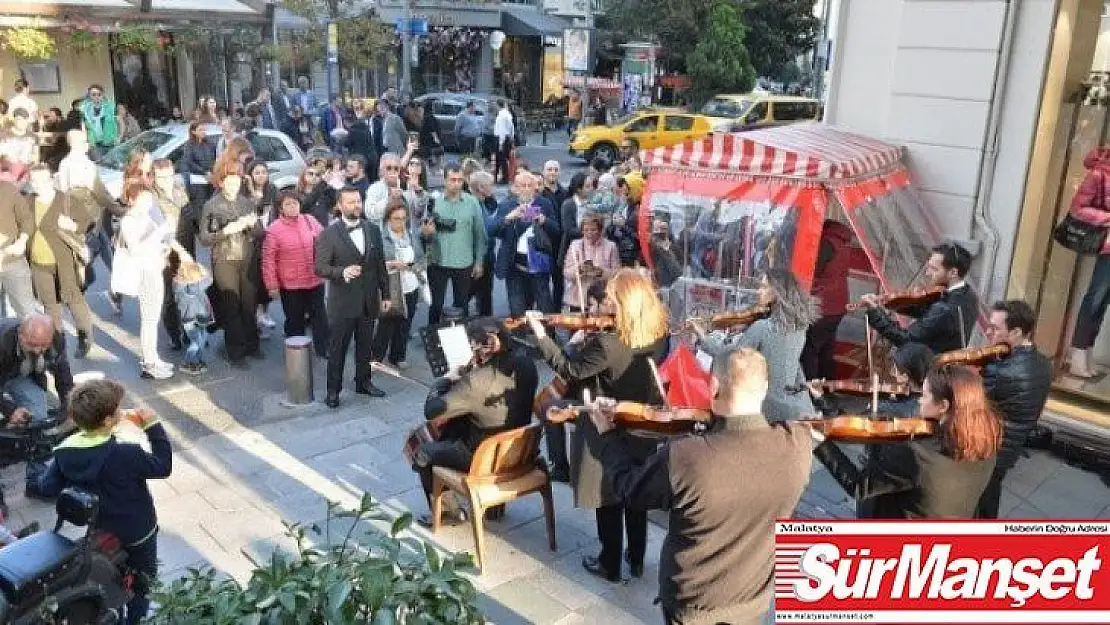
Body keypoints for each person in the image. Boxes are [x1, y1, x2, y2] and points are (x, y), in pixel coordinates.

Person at [581, 347, 811, 624]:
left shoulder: (686, 457)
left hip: (693, 606)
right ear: (764, 388)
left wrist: (607, 436)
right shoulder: (798, 446)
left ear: (713, 386)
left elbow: (629, 489)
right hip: (754, 602)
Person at [526, 268, 668, 582]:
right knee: (636, 495)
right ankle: (637, 559)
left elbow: (570, 369)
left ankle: (610, 563)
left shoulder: (608, 342)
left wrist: (541, 335)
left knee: (609, 497)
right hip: (642, 423)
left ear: (625, 303)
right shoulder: (657, 331)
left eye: (611, 300)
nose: (605, 305)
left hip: (610, 424)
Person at [38, 378, 172, 625]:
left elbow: (47, 487)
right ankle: (136, 619)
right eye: (118, 409)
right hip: (138, 532)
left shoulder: (65, 452)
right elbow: (163, 466)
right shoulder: (126, 454)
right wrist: (153, 425)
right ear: (108, 420)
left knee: (112, 574)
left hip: (101, 529)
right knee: (143, 581)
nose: (122, 411)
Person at [813, 364, 1002, 518]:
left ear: (944, 406)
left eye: (925, 395)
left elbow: (858, 485)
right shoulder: (987, 440)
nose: (919, 400)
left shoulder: (915, 455)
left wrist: (821, 443)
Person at [413, 317, 538, 526]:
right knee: (460, 425)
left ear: (484, 347)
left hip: (483, 459)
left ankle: (446, 512)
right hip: (518, 452)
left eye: (472, 345)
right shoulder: (526, 365)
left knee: (422, 449)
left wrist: (446, 379)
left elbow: (432, 411)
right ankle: (495, 508)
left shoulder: (475, 381)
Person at [807, 342, 934, 519]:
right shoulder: (929, 410)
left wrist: (822, 400)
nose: (892, 373)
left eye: (896, 369)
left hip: (880, 493)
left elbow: (850, 424)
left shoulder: (889, 411)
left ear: (905, 376)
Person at [695, 269, 818, 422]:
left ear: (776, 293)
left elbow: (732, 356)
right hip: (795, 401)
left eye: (764, 287)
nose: (759, 291)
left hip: (769, 404)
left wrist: (704, 337)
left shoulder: (763, 328)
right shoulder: (799, 326)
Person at [975, 300, 1052, 519]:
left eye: (996, 328)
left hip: (990, 448)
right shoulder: (1043, 364)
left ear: (1017, 332)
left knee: (979, 503)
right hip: (1011, 447)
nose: (989, 332)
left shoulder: (1000, 372)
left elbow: (970, 404)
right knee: (990, 496)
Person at [315, 186, 391, 408]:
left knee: (365, 346)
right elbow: (319, 268)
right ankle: (333, 390)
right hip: (342, 303)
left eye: (358, 201)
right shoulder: (328, 234)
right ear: (339, 205)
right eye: (350, 202)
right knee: (338, 349)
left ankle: (364, 382)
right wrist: (342, 272)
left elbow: (380, 266)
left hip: (368, 300)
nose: (356, 205)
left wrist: (385, 294)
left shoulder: (372, 229)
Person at [0, 314, 74, 505]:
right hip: (5, 365)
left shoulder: (54, 339)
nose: (38, 350)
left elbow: (62, 372)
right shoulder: (3, 341)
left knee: (38, 415)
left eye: (43, 345)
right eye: (33, 344)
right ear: (20, 334)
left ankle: (36, 481)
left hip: (18, 373)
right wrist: (10, 409)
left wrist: (70, 403)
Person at [199, 161, 264, 368]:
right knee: (231, 305)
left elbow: (260, 233)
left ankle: (252, 345)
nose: (234, 183)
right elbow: (204, 238)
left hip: (247, 257)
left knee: (249, 303)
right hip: (224, 259)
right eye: (230, 179)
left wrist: (251, 225)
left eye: (237, 179)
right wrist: (227, 230)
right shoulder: (212, 204)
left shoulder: (246, 202)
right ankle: (235, 351)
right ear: (221, 181)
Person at [861, 242, 979, 355]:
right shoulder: (969, 295)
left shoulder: (944, 308)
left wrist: (875, 313)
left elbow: (905, 339)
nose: (927, 273)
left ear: (953, 272)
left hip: (928, 368)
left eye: (934, 269)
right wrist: (892, 301)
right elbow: (930, 316)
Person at [27, 165, 95, 358]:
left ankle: (85, 335)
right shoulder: (28, 201)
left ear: (51, 180)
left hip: (64, 262)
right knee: (50, 305)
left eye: (42, 180)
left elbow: (87, 221)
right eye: (33, 181)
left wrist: (73, 225)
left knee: (73, 300)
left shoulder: (65, 200)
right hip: (38, 263)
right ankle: (57, 347)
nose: (38, 185)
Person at [119, 183, 185, 379]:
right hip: (144, 273)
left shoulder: (146, 216)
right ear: (131, 201)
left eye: (150, 200)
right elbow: (136, 249)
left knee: (153, 318)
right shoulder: (129, 220)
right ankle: (149, 362)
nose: (148, 204)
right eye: (143, 200)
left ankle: (153, 358)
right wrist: (161, 230)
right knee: (149, 319)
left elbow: (153, 243)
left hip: (155, 268)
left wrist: (163, 247)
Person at [801, 219, 871, 380]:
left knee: (810, 349)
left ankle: (811, 391)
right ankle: (828, 387)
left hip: (824, 304)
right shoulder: (843, 242)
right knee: (826, 347)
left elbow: (815, 271)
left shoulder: (826, 243)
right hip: (838, 304)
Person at [262, 192, 328, 359]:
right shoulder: (274, 229)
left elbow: (326, 240)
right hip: (291, 284)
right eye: (288, 204)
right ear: (281, 208)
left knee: (319, 316)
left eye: (295, 203)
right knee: (295, 320)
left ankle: (323, 348)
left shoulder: (309, 220)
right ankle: (297, 355)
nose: (293, 207)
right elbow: (268, 260)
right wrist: (272, 285)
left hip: (314, 279)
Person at [422, 164, 488, 324]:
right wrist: (426, 233)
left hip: (463, 262)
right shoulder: (433, 201)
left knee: (462, 304)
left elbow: (479, 234)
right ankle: (433, 337)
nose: (456, 184)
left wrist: (479, 261)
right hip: (438, 261)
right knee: (436, 305)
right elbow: (423, 232)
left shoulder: (472, 202)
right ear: (445, 180)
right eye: (452, 180)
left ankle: (460, 338)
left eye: (459, 180)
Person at [1066, 147, 1110, 378]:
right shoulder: (1099, 173)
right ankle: (1078, 354)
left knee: (1102, 304)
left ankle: (1086, 353)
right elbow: (1078, 208)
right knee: (1095, 299)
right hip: (1108, 247)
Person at [493, 171, 560, 316]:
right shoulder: (506, 205)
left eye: (530, 185)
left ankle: (549, 337)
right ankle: (519, 337)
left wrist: (544, 221)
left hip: (538, 263)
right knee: (517, 310)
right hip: (514, 265)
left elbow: (556, 230)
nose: (527, 189)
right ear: (515, 188)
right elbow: (493, 230)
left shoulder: (545, 204)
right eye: (523, 185)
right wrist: (509, 218)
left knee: (545, 307)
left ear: (535, 187)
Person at [371, 200, 424, 368]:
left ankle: (398, 356)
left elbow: (421, 259)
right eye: (396, 219)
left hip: (411, 284)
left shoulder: (412, 234)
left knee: (405, 323)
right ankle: (376, 356)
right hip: (392, 285)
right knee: (387, 322)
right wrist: (392, 264)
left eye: (403, 218)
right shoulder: (381, 237)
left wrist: (410, 266)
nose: (400, 222)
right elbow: (374, 263)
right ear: (388, 219)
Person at [151, 158, 191, 351]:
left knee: (187, 292)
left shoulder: (179, 189)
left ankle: (188, 331)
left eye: (168, 176)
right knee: (168, 296)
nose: (165, 181)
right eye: (161, 177)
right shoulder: (151, 197)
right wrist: (181, 251)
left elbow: (187, 217)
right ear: (154, 177)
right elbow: (162, 231)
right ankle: (174, 335)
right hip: (164, 252)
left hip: (185, 246)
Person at [563, 212, 618, 312]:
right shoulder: (575, 245)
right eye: (586, 230)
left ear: (600, 230)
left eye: (593, 230)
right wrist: (579, 269)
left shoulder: (611, 246)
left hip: (603, 299)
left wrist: (601, 272)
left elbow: (617, 273)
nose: (589, 233)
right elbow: (566, 272)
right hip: (579, 298)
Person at [178, 121, 217, 256]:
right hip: (197, 179)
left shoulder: (210, 143)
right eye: (200, 130)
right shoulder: (189, 145)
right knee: (200, 206)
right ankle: (203, 231)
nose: (203, 132)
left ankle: (212, 228)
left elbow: (214, 158)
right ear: (194, 131)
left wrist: (212, 172)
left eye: (204, 129)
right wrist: (203, 172)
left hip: (210, 178)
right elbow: (189, 162)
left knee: (211, 204)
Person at [0, 179, 38, 318]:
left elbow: (26, 219)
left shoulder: (8, 189)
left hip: (13, 262)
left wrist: (21, 242)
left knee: (27, 313)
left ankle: (31, 339)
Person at [174, 260, 211, 375]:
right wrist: (201, 268)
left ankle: (197, 361)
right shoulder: (191, 287)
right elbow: (209, 279)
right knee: (197, 341)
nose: (200, 276)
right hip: (193, 320)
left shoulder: (180, 287)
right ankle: (188, 362)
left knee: (201, 339)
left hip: (196, 319)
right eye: (198, 274)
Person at [470, 170, 499, 317]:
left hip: (487, 258)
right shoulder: (472, 205)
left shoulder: (483, 203)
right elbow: (485, 231)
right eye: (490, 185)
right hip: (476, 259)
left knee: (485, 296)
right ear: (481, 188)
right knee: (474, 295)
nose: (492, 188)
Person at [79, 84, 118, 159]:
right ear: (89, 96)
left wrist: (118, 137)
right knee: (99, 165)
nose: (96, 97)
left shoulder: (110, 107)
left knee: (112, 165)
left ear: (102, 95)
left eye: (99, 94)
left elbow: (120, 122)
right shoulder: (84, 110)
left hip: (110, 142)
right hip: (94, 144)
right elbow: (83, 126)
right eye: (93, 94)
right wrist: (86, 141)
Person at [493, 100, 515, 185]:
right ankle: (499, 176)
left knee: (501, 159)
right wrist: (511, 137)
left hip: (501, 138)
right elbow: (511, 127)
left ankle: (504, 178)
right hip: (507, 138)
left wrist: (501, 143)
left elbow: (501, 130)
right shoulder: (507, 114)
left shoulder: (501, 115)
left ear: (498, 105)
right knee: (501, 159)